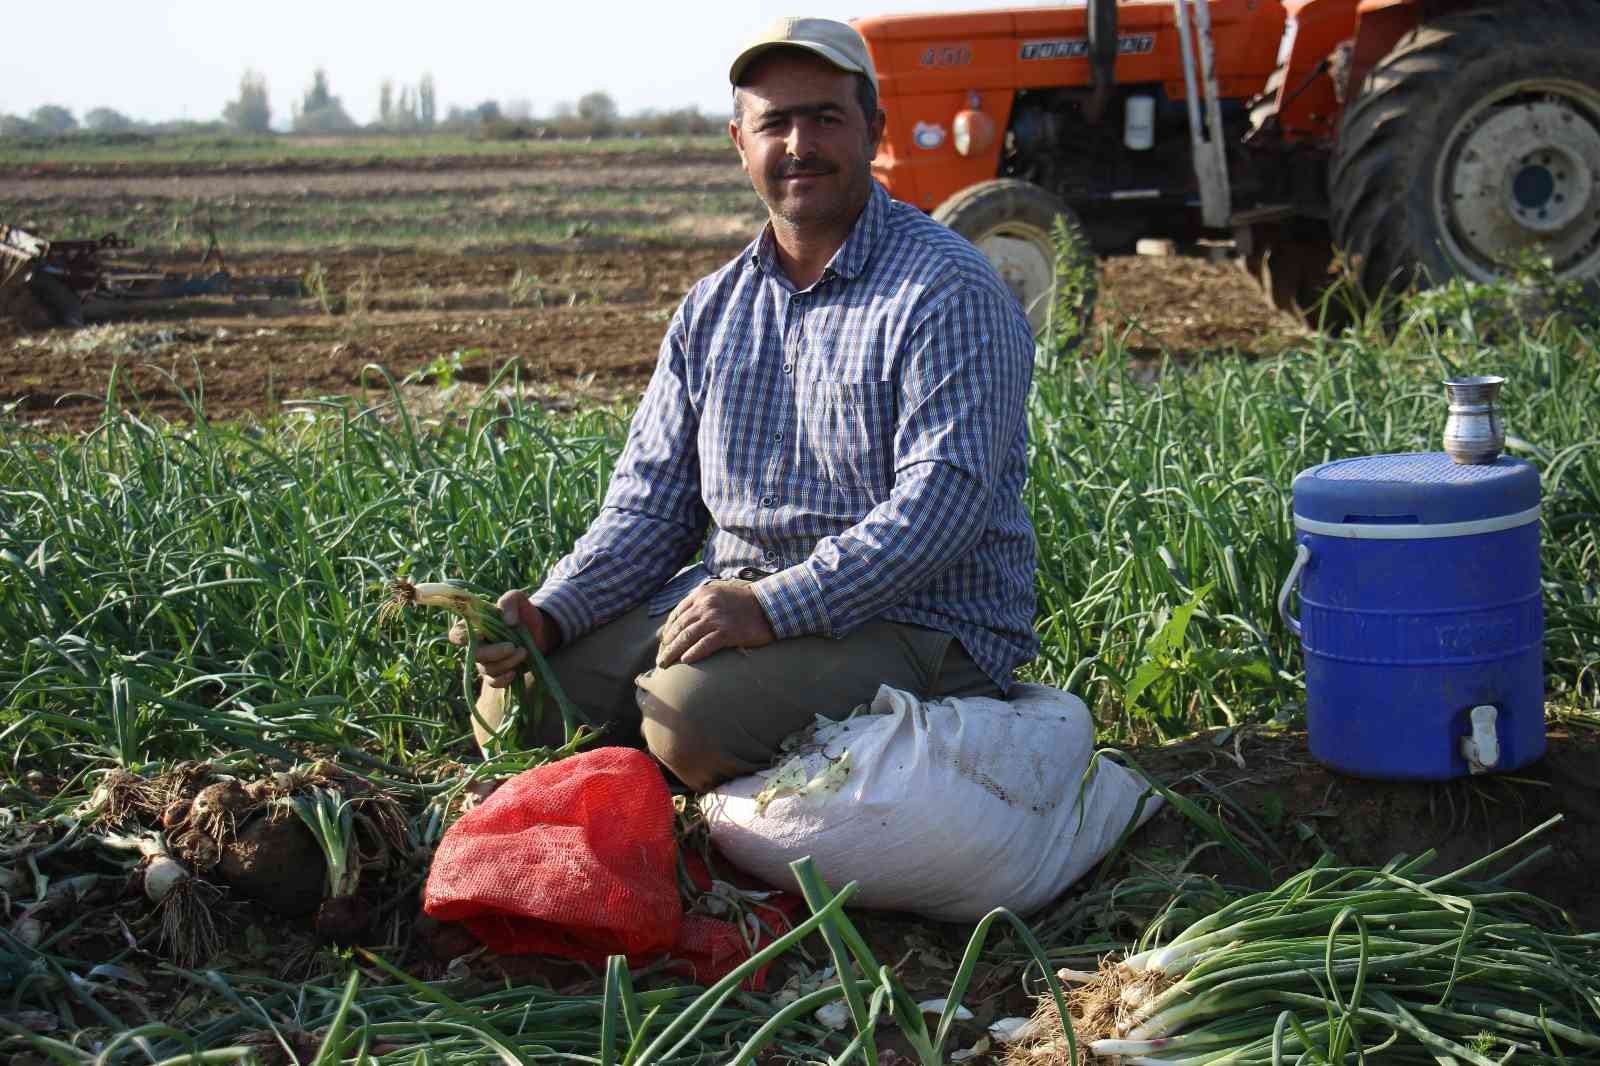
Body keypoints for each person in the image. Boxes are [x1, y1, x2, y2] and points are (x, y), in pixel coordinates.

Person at [457, 16, 1039, 790]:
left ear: (874, 130)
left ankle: (692, 790)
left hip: (924, 621)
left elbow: (941, 506)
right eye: (776, 123)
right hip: (741, 601)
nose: (800, 144)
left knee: (687, 714)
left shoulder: (945, 288)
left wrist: (774, 607)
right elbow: (650, 509)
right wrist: (555, 612)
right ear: (741, 142)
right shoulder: (713, 308)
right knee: (519, 703)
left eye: (825, 118)